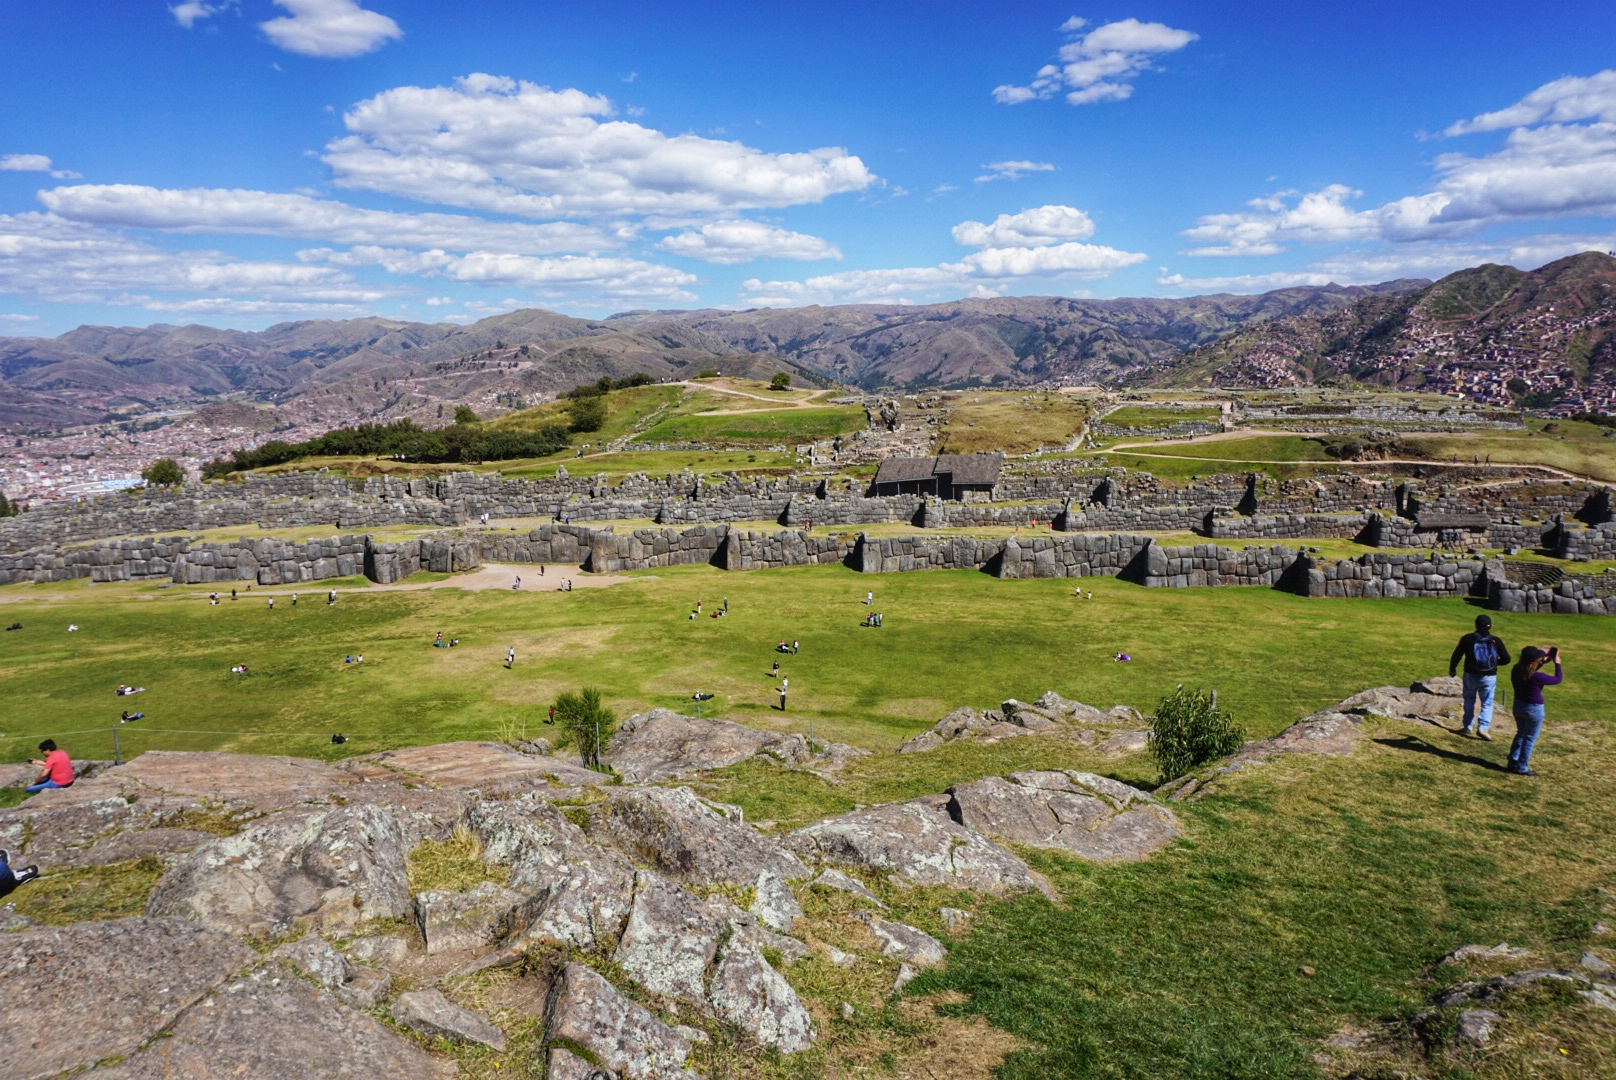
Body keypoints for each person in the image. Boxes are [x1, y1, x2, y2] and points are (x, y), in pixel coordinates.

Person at [1450, 614, 1510, 739]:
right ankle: (1483, 727)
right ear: (1491, 626)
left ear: (1475, 625)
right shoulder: (1495, 641)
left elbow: (1457, 654)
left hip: (1470, 674)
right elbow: (1507, 659)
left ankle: (1467, 726)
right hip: (1489, 676)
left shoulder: (1467, 639)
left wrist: (1452, 669)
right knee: (1487, 703)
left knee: (1469, 700)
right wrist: (1494, 663)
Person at [1508, 646, 1562, 776]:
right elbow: (1558, 679)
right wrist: (1558, 664)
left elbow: (1529, 669)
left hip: (1518, 705)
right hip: (1534, 709)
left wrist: (1544, 658)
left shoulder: (1516, 669)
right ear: (1534, 661)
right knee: (1529, 738)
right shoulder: (1537, 677)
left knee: (1520, 733)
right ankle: (1522, 767)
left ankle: (1512, 762)